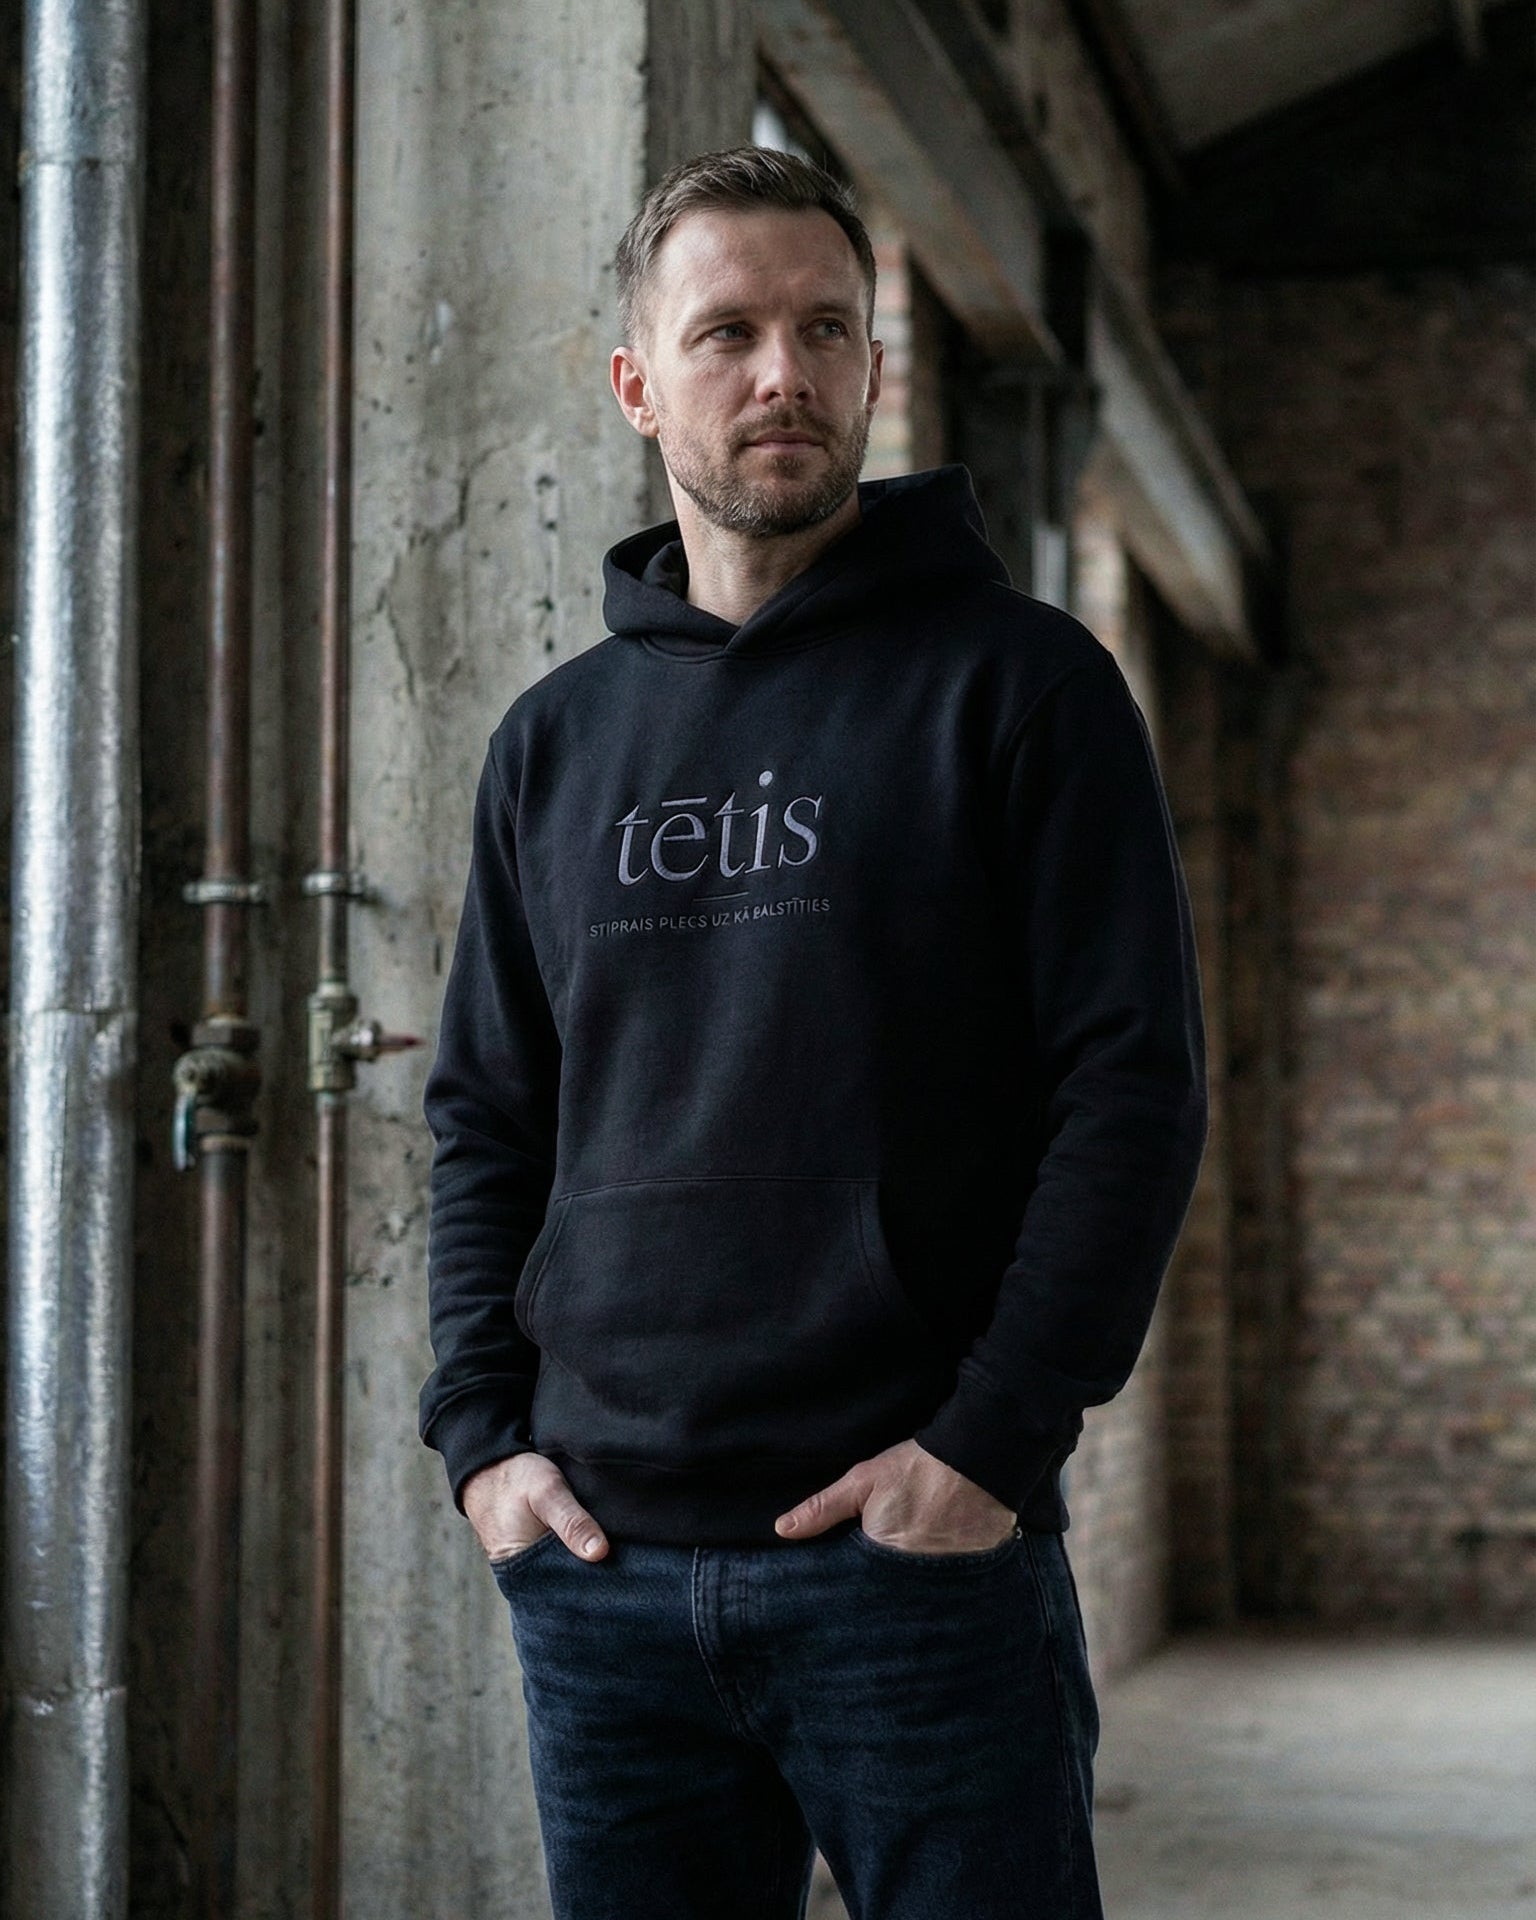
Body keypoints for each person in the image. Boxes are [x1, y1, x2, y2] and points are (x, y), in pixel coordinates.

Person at [419, 145, 1207, 1920]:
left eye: (825, 328)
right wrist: (483, 1446)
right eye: (728, 333)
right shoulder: (552, 745)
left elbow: (1132, 1094)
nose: (783, 372)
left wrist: (990, 1446)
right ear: (639, 384)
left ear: (873, 366)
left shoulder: (1024, 684)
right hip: (602, 1573)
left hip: (911, 1563)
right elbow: (488, 1119)